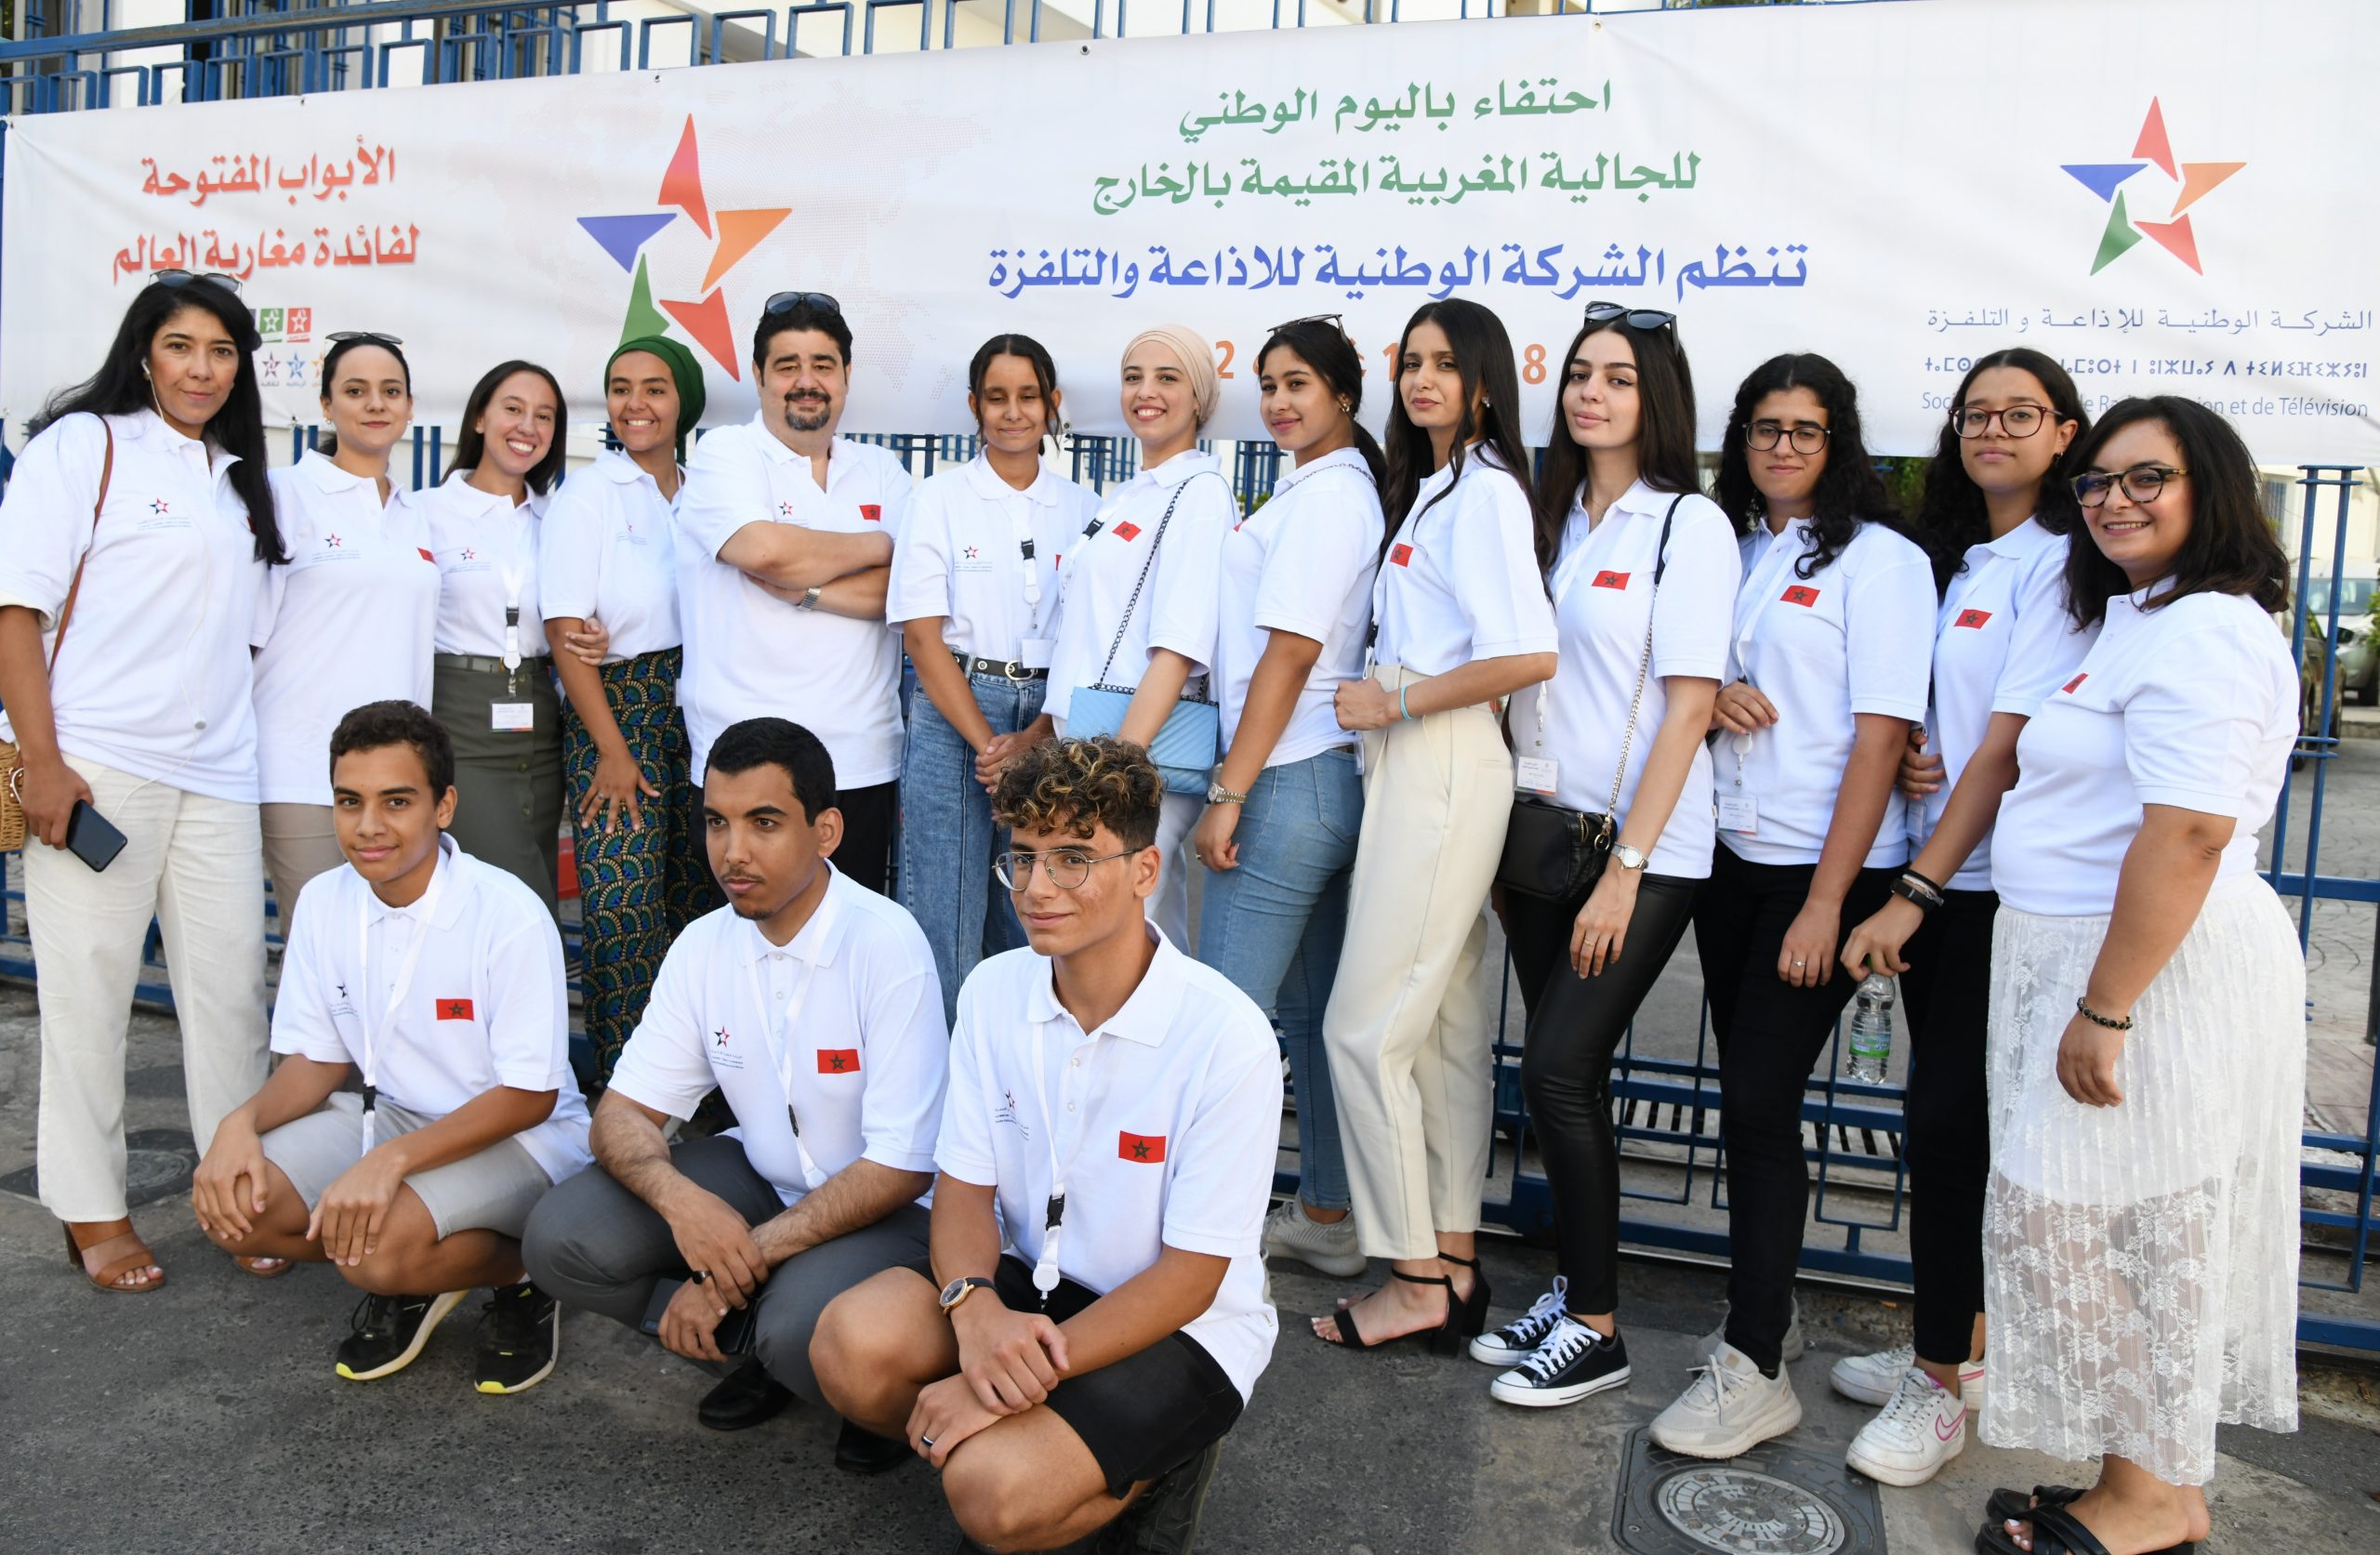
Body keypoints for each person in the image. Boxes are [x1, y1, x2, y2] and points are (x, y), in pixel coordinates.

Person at [812, 736, 1282, 1555]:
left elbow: (1191, 1277)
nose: (1036, 887)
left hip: (1177, 1324)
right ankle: (1055, 1455)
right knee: (850, 1347)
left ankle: (1155, 1467)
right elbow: (964, 1188)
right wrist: (974, 1309)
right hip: (1030, 1282)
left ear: (1145, 869)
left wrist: (1004, 1383)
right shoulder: (994, 989)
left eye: (1073, 859)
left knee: (989, 1492)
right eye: (1024, 857)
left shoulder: (1226, 1035)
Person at [1975, 398, 2301, 1555]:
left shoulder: (2207, 628)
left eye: (2145, 477)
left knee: (2069, 1217)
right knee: (2106, 1225)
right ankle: (2147, 1477)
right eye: (2097, 481)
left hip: (2145, 970)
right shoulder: (2140, 616)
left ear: (2210, 487)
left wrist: (2104, 1005)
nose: (2113, 499)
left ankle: (2151, 1496)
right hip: (2086, 955)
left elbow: (2190, 830)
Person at [521, 717, 947, 1461]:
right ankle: (763, 1344)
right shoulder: (704, 944)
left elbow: (902, 1166)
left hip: (892, 1214)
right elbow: (621, 1113)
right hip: (764, 1176)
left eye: (764, 822)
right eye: (717, 821)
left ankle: (857, 1381)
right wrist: (682, 1203)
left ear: (826, 831)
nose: (732, 851)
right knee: (560, 1239)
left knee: (795, 1326)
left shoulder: (886, 943)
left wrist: (734, 1265)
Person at [1655, 354, 1933, 1457]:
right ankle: (1765, 1313)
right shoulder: (1736, 548)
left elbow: (1880, 735)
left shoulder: (1884, 561)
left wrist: (1826, 902)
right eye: (1763, 428)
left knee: (1760, 1103)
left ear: (1839, 442)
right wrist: (1719, 691)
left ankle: (1756, 1363)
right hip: (1730, 852)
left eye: (1803, 430)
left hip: (1824, 871)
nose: (1780, 446)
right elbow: (1701, 671)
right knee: (1749, 1100)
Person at [1832, 349, 2096, 1485]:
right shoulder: (1968, 557)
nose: (1991, 429)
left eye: (2018, 413)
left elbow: (2005, 746)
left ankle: (1941, 1383)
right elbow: (1953, 723)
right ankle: (1957, 1344)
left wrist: (1914, 891)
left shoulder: (2062, 562)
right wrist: (1917, 755)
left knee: (1949, 1128)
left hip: (1991, 889)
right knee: (1949, 1130)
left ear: (2065, 432)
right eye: (1974, 413)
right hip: (1946, 870)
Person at [1473, 303, 1739, 1406]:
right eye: (1580, 373)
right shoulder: (1550, 516)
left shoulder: (1686, 525)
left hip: (1642, 851)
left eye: (1618, 378)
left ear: (1656, 397)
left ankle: (1597, 1327)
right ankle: (1575, 1288)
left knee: (1554, 1067)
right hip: (1544, 833)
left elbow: (1689, 708)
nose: (1591, 392)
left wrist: (1625, 871)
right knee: (1564, 1077)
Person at [0, 270, 285, 1293]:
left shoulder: (238, 476)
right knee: (89, 995)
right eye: (181, 346)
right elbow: (16, 611)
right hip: (97, 766)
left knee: (231, 996)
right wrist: (43, 762)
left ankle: (234, 1190)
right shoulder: (86, 445)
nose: (202, 369)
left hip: (220, 770)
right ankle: (93, 1210)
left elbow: (246, 639)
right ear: (143, 353)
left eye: (222, 350)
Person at [189, 701, 590, 1392]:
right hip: (391, 1118)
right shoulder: (324, 901)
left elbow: (531, 1095)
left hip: (518, 1136)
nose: (368, 825)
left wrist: (390, 1163)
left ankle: (524, 1274)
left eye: (396, 801)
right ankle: (415, 1266)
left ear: (444, 806)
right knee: (236, 1208)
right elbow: (319, 1058)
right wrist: (239, 1124)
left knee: (371, 1254)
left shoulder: (508, 913)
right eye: (350, 801)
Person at [1315, 298, 1556, 1352]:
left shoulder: (1486, 492)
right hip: (1421, 760)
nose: (1422, 379)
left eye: (1446, 364)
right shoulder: (1435, 487)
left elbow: (1528, 653)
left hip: (1440, 758)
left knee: (1361, 1030)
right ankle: (1452, 1262)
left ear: (1485, 383)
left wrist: (1396, 700)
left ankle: (1411, 1274)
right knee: (1448, 1029)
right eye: (1411, 361)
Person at [1191, 315, 1383, 1280]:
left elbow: (1292, 651)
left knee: (1219, 1016)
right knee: (1309, 1017)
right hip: (1321, 775)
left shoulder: (1328, 498)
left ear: (1343, 393)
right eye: (1267, 384)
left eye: (1298, 382)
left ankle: (1198, 1235)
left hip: (1288, 776)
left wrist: (1231, 788)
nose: (1277, 401)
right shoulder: (1322, 489)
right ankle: (1327, 1212)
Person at [890, 334, 1099, 1021]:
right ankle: (943, 1076)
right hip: (956, 709)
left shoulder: (1085, 507)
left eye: (1029, 396)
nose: (1013, 413)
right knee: (943, 914)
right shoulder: (938, 498)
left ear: (1052, 402)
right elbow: (922, 637)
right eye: (997, 398)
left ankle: (1023, 1063)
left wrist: (1037, 734)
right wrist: (989, 747)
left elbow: (1089, 636)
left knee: (1037, 912)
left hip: (1051, 717)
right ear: (975, 405)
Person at [675, 292, 911, 895]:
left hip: (860, 759)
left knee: (848, 938)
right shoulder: (726, 454)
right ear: (759, 375)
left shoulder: (882, 470)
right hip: (742, 762)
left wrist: (806, 591)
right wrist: (879, 542)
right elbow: (764, 552)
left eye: (823, 365)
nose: (807, 382)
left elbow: (905, 592)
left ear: (846, 375)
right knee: (746, 938)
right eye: (787, 366)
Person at [540, 336, 715, 1086]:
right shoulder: (591, 494)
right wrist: (612, 750)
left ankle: (696, 1096)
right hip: (618, 712)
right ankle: (626, 1098)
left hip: (698, 710)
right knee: (623, 915)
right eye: (620, 388)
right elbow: (563, 630)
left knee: (695, 908)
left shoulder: (704, 492)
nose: (634, 404)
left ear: (684, 403)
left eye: (654, 388)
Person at [1041, 324, 1237, 946]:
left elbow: (1178, 648)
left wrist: (1115, 767)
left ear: (1199, 398)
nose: (1145, 392)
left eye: (1166, 378)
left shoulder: (1199, 493)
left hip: (1135, 753)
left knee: (1125, 930)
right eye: (1133, 378)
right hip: (1089, 745)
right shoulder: (1130, 494)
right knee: (1127, 927)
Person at [252, 331, 438, 926]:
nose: (376, 404)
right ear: (326, 405)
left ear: (410, 406)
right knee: (321, 944)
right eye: (356, 391)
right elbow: (242, 636)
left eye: (391, 391)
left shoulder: (418, 514)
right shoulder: (283, 495)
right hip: (303, 772)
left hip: (400, 776)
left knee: (389, 943)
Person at [420, 360, 574, 914]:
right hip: (458, 719)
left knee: (536, 869)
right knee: (504, 889)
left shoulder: (560, 519)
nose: (527, 427)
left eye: (544, 416)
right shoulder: (425, 511)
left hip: (539, 720)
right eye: (513, 409)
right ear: (480, 417)